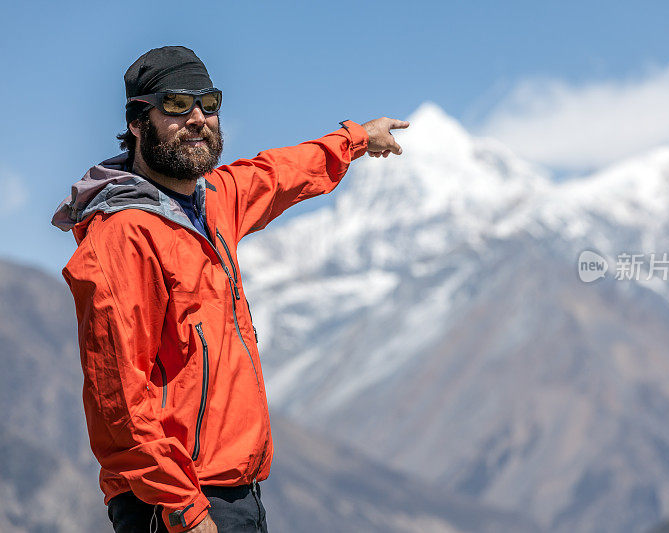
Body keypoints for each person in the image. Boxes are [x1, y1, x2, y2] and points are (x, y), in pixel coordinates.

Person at [51, 45, 409, 533]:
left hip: (234, 495)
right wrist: (184, 510)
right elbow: (118, 400)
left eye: (210, 104)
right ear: (137, 121)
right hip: (172, 504)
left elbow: (279, 173)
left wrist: (358, 139)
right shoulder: (122, 237)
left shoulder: (212, 200)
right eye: (177, 104)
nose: (199, 118)